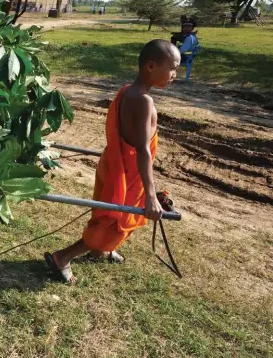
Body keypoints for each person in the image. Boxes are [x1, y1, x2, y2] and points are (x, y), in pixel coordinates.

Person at [44, 40, 180, 284]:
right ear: (151, 66)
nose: (175, 75)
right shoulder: (143, 100)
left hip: (114, 165)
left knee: (108, 216)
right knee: (113, 221)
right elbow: (142, 150)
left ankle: (101, 250)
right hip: (125, 175)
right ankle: (63, 257)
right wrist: (150, 196)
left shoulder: (128, 90)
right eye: (173, 68)